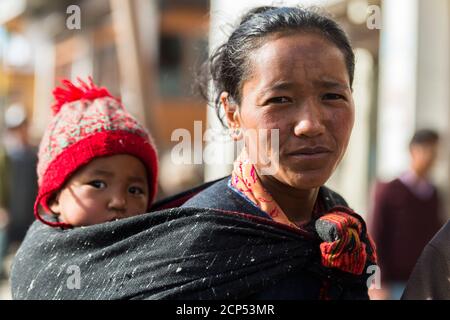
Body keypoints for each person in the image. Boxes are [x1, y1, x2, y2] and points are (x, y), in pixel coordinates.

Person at [11, 7, 376, 300]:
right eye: (279, 99)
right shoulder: (195, 243)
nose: (310, 124)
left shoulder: (341, 227)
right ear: (232, 114)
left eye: (332, 96)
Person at [30, 78, 159, 228]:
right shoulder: (38, 249)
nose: (119, 202)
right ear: (55, 197)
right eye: (98, 184)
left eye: (135, 190)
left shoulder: (157, 246)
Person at [369, 129, 444, 300]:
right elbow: (374, 237)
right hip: (393, 286)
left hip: (425, 285)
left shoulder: (434, 195)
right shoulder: (388, 190)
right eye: (427, 150)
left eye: (435, 151)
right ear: (413, 151)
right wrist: (377, 284)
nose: (431, 157)